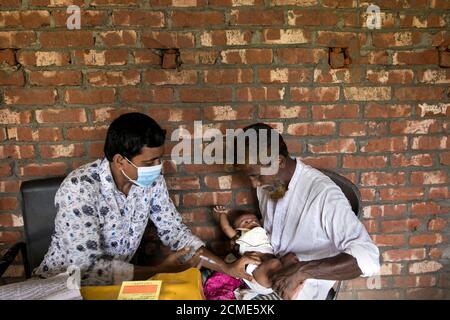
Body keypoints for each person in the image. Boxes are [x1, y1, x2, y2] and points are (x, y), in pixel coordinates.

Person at [34, 112, 259, 286]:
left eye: (159, 159)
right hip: (64, 285)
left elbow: (175, 232)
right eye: (149, 162)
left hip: (118, 282)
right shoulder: (80, 188)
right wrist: (161, 270)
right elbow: (88, 270)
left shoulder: (151, 182)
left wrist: (227, 267)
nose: (157, 167)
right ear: (120, 160)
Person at [233, 123, 381, 300]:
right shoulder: (268, 185)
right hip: (266, 280)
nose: (253, 184)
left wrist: (302, 271)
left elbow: (369, 259)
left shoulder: (323, 194)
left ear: (278, 162)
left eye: (256, 175)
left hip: (302, 292)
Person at [212, 206, 301, 297]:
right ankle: (287, 291)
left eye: (255, 220)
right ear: (239, 229)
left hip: (271, 263)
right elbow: (226, 227)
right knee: (273, 266)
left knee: (290, 258)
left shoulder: (262, 232)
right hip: (257, 274)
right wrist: (222, 214)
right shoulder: (240, 236)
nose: (253, 222)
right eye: (246, 222)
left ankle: (292, 282)